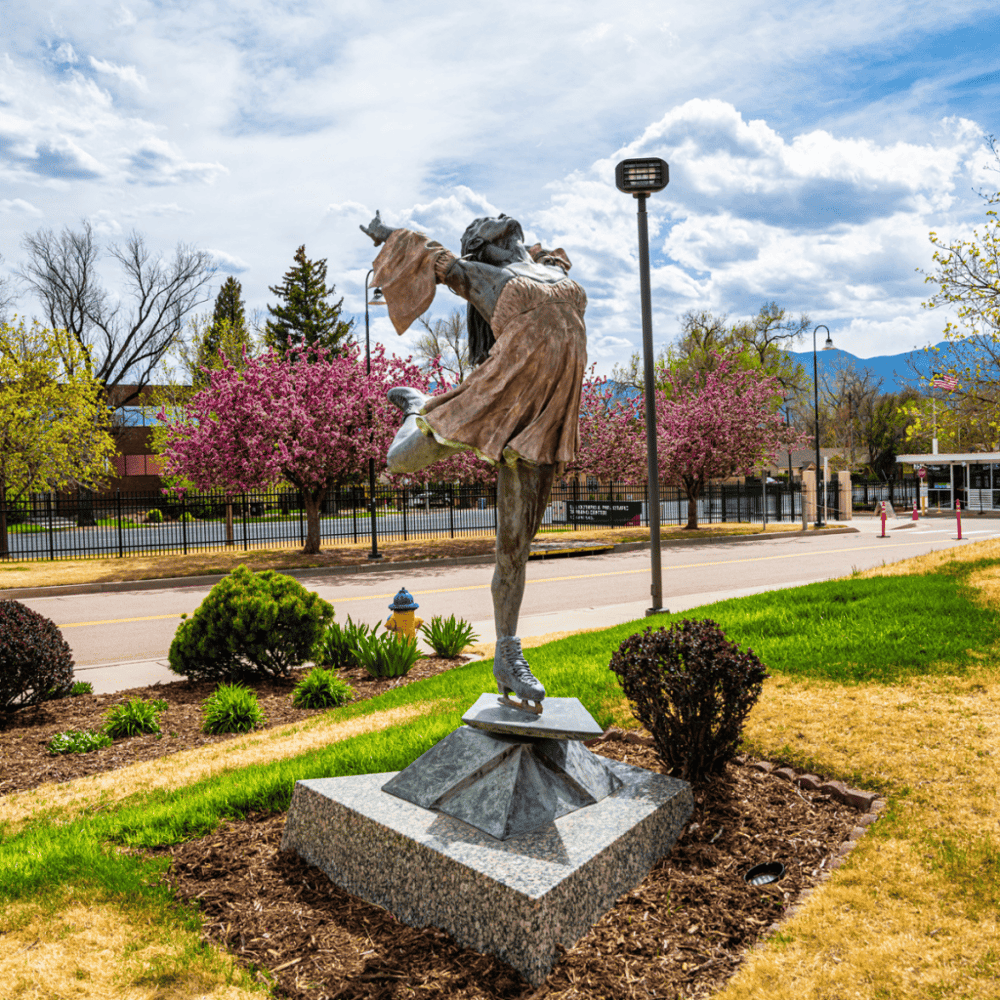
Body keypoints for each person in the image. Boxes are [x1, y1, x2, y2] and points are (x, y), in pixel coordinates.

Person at [360, 211, 587, 713]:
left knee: (515, 546)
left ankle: (507, 655)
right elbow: (436, 261)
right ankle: (420, 408)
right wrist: (388, 235)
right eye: (487, 223)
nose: (499, 218)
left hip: (544, 415)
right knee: (401, 461)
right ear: (481, 245)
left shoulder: (550, 267)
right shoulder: (488, 275)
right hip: (496, 395)